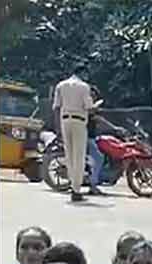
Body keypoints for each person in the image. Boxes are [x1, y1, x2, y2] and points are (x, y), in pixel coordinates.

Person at [52, 62, 93, 202]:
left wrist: (57, 128)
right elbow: (88, 107)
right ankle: (76, 190)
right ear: (82, 73)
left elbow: (56, 107)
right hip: (79, 121)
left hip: (65, 121)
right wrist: (96, 106)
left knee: (69, 155)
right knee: (79, 156)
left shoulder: (60, 85)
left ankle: (72, 184)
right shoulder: (84, 87)